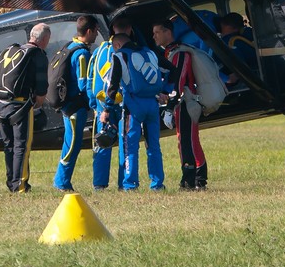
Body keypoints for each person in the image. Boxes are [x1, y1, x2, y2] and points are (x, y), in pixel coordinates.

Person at [103, 29, 171, 191]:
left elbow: (112, 86)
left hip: (133, 106)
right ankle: (157, 184)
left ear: (117, 45)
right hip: (152, 105)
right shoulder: (150, 54)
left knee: (130, 146)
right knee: (153, 145)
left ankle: (130, 184)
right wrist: (166, 91)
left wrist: (107, 109)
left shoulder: (119, 56)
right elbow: (171, 69)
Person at [0, 22, 50, 193]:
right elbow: (41, 87)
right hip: (21, 107)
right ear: (45, 39)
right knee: (22, 146)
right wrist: (39, 103)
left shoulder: (14, 50)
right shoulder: (37, 55)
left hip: (0, 104)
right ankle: (20, 185)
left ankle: (11, 182)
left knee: (8, 145)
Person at [153, 20, 207, 190]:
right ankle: (198, 178)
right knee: (187, 140)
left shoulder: (180, 53)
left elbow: (179, 81)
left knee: (187, 141)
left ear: (167, 32)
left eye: (157, 32)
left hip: (186, 102)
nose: (154, 36)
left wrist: (170, 106)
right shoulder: (169, 52)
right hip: (180, 102)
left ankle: (190, 180)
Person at [53, 16, 98, 192]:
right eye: (95, 31)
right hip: (75, 107)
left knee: (69, 142)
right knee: (72, 144)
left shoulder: (69, 46)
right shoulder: (82, 54)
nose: (96, 35)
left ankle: (61, 181)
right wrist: (93, 104)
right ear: (89, 31)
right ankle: (61, 182)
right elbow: (84, 84)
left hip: (67, 105)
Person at [87, 18, 128, 190]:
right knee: (124, 144)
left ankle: (99, 184)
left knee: (102, 142)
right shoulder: (124, 51)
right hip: (120, 104)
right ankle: (124, 183)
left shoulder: (99, 50)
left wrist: (94, 104)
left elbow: (89, 78)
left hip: (101, 104)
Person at [219, 11, 257, 89]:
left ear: (224, 25)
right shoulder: (246, 37)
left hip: (247, 82)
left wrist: (228, 78)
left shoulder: (230, 42)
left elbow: (241, 69)